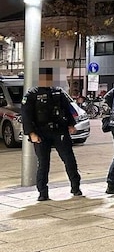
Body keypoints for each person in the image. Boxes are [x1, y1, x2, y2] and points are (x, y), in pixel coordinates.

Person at [21, 70, 81, 201]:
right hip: (41, 133)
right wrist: (32, 133)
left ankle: (76, 187)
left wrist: (71, 124)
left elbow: (68, 109)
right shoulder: (32, 94)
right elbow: (26, 115)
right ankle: (42, 192)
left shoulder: (58, 92)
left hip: (60, 131)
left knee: (69, 160)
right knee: (43, 163)